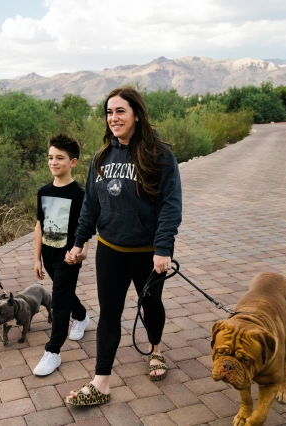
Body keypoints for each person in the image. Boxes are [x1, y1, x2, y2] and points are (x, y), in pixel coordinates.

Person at [64, 87, 182, 406]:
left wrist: (163, 247)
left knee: (151, 306)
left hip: (147, 254)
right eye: (109, 112)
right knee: (109, 314)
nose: (113, 118)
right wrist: (79, 242)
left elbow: (171, 205)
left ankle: (155, 349)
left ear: (136, 115)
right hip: (110, 251)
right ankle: (101, 382)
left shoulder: (159, 155)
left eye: (120, 111)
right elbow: (91, 205)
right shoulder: (102, 157)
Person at [32, 134, 91, 376]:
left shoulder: (80, 194)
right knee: (64, 294)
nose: (53, 162)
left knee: (58, 300)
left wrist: (82, 254)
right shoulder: (43, 191)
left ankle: (53, 351)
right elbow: (39, 224)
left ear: (73, 162)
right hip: (48, 254)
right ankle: (82, 316)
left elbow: (84, 229)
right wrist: (37, 258)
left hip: (69, 256)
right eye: (50, 157)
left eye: (60, 158)